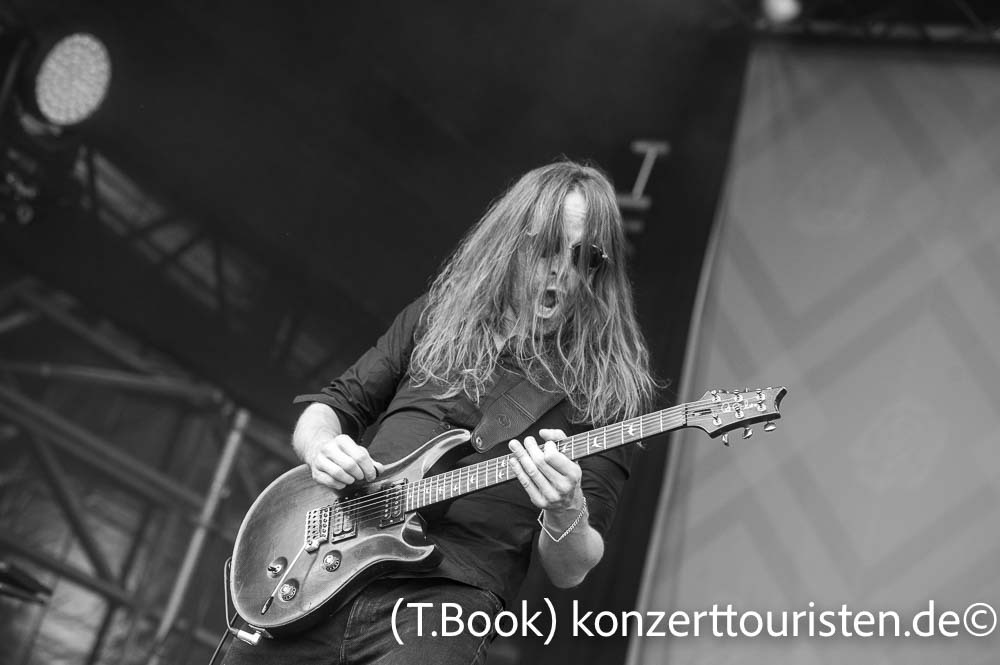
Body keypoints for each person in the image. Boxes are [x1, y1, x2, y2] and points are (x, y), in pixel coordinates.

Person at [223, 160, 657, 664]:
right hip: (323, 569)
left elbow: (572, 568)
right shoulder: (438, 317)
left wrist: (566, 507)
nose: (562, 268)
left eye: (584, 256)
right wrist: (323, 448)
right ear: (511, 243)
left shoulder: (607, 391)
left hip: (446, 604)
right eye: (547, 247)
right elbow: (331, 406)